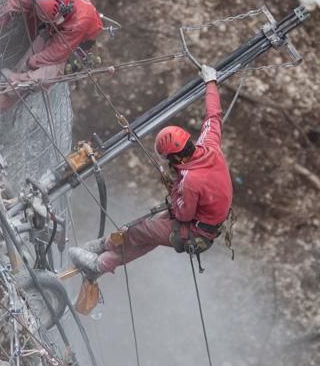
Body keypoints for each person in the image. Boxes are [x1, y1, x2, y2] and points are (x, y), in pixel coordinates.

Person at [68, 63, 233, 277]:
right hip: (203, 221)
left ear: (176, 156)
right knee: (149, 235)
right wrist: (211, 82)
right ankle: (104, 251)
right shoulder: (209, 145)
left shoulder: (190, 181)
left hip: (195, 231)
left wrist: (175, 190)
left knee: (140, 231)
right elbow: (214, 116)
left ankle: (100, 262)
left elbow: (183, 213)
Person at [0, 0, 103, 111]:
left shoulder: (80, 22)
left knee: (48, 74)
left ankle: (8, 93)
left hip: (76, 43)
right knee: (34, 51)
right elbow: (15, 1)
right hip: (54, 29)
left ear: (64, 10)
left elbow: (56, 54)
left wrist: (30, 63)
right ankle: (8, 85)